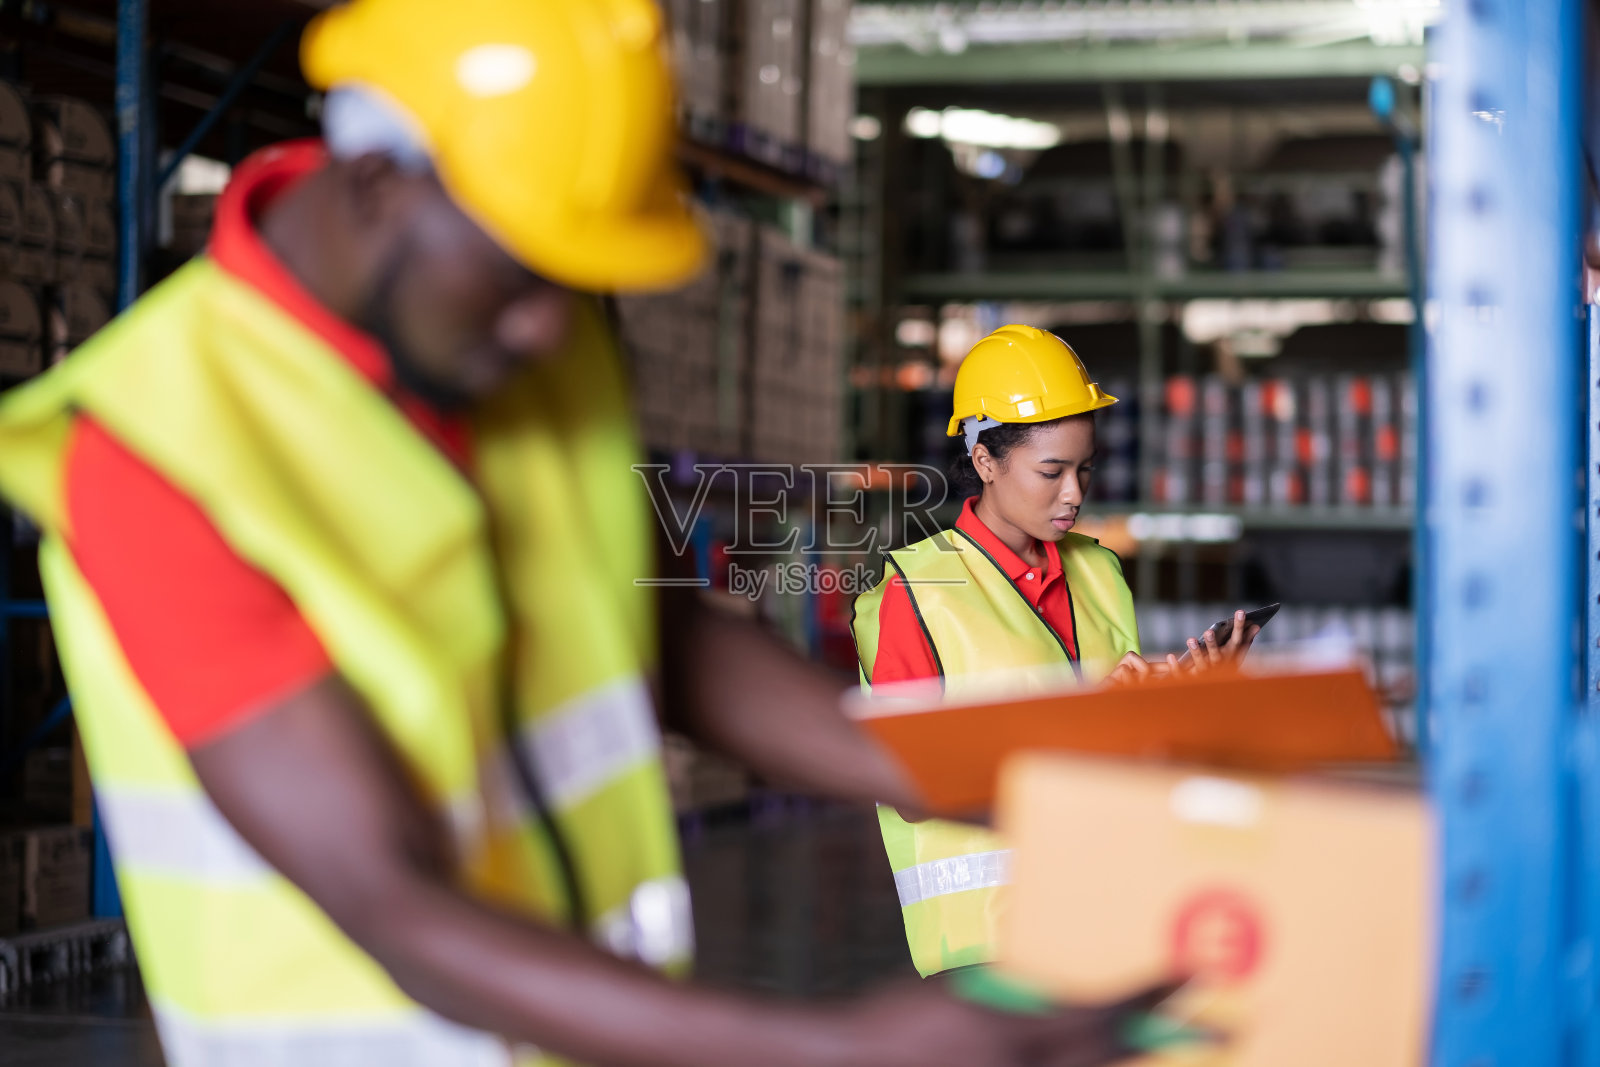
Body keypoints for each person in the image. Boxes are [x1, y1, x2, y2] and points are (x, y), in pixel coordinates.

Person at [0, 5, 1174, 1066]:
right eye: (520, 274)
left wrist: (968, 770)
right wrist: (833, 1045)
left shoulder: (514, 335)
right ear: (374, 182)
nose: (546, 327)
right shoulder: (158, 455)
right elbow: (388, 897)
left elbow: (646, 630)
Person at [852, 324, 1258, 979]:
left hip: (1109, 918)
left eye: (1085, 468)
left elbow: (1131, 748)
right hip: (987, 948)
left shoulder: (1100, 573)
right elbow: (911, 783)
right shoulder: (917, 594)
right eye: (1051, 471)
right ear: (985, 460)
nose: (1074, 492)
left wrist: (1188, 693)